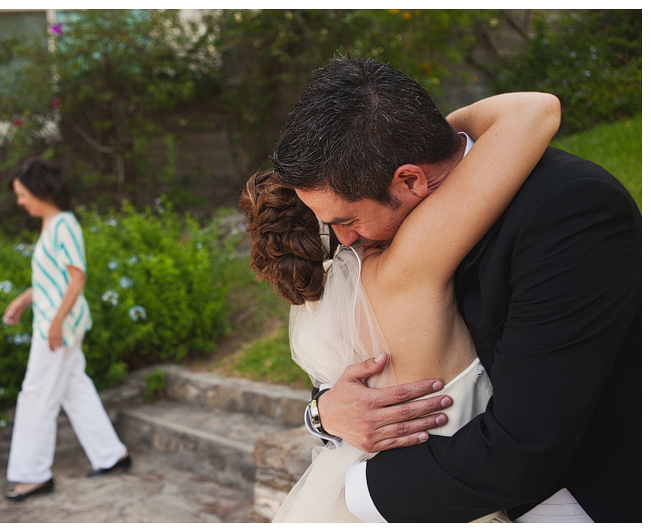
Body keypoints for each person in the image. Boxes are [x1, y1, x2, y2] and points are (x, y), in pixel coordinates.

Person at [267, 56, 641, 522]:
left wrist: (347, 497)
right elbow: (348, 378)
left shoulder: (569, 211)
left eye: (346, 220)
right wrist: (322, 413)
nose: (342, 241)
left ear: (409, 179)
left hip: (576, 498)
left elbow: (527, 448)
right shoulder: (374, 237)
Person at [242, 90, 563, 521]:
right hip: (447, 495)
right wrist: (433, 134)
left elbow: (335, 394)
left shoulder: (319, 297)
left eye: (347, 220)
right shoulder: (407, 264)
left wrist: (319, 414)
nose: (349, 237)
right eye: (341, 224)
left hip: (371, 493)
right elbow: (535, 109)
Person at [2, 158, 131, 501]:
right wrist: (24, 299)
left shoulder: (64, 225)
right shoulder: (51, 225)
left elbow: (77, 277)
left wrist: (56, 322)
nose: (20, 201)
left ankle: (33, 475)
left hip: (57, 326)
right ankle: (111, 455)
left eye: (21, 194)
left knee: (36, 394)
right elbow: (54, 280)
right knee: (75, 390)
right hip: (53, 320)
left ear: (39, 190)